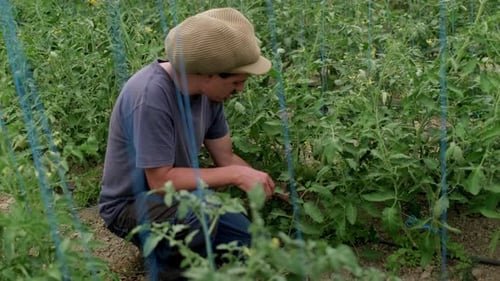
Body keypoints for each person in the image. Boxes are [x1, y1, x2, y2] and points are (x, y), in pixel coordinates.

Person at [98, 7, 276, 280]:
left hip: (183, 199)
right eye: (238, 82)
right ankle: (167, 268)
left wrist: (259, 179)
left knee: (248, 242)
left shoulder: (210, 96)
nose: (241, 90)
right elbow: (160, 182)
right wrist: (237, 175)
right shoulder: (150, 96)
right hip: (130, 204)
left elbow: (226, 159)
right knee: (200, 214)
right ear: (209, 74)